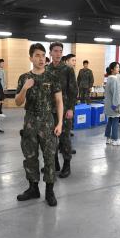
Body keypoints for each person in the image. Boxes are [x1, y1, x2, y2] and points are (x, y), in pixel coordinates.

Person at [16, 43, 63, 207]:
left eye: (43, 55)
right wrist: (24, 88)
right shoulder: (24, 77)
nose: (41, 58)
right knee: (30, 157)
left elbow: (59, 101)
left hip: (47, 122)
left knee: (49, 157)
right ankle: (33, 188)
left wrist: (60, 123)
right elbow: (17, 102)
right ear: (31, 58)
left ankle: (49, 191)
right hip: (29, 122)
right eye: (37, 55)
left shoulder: (52, 77)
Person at [46, 43, 77, 179]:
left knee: (64, 138)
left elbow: (73, 90)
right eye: (55, 51)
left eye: (60, 51)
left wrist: (70, 108)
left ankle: (66, 165)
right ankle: (55, 164)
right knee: (51, 139)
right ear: (50, 53)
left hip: (64, 110)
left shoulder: (68, 69)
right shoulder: (46, 69)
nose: (58, 54)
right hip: (49, 110)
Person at [104, 62, 120, 146]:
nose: (118, 69)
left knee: (110, 121)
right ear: (112, 69)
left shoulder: (109, 78)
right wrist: (116, 106)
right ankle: (115, 139)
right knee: (115, 121)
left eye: (118, 67)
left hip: (108, 105)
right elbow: (115, 94)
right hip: (113, 105)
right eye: (116, 67)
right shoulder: (114, 79)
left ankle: (108, 138)